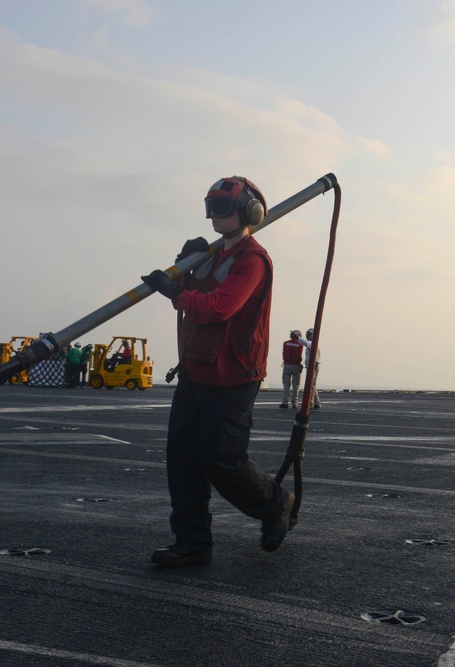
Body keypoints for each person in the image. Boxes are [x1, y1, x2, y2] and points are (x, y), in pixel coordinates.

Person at [141, 176, 293, 566]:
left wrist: (174, 291)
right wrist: (183, 267)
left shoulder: (252, 261)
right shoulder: (209, 256)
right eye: (211, 208)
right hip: (195, 372)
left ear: (249, 213)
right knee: (184, 461)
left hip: (233, 377)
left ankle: (275, 504)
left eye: (223, 209)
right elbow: (198, 292)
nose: (214, 216)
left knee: (221, 459)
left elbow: (218, 307)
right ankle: (192, 543)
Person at [280, 330, 304, 409]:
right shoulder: (300, 344)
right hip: (296, 366)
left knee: (286, 385)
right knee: (296, 385)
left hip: (287, 365)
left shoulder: (285, 343)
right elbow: (299, 355)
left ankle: (284, 402)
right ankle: (294, 403)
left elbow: (284, 353)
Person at [299, 327, 321, 408]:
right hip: (313, 364)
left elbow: (305, 343)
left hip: (313, 364)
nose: (307, 335)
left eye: (308, 334)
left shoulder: (312, 343)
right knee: (313, 384)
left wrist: (298, 337)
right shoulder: (312, 343)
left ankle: (310, 402)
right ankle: (316, 402)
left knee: (311, 384)